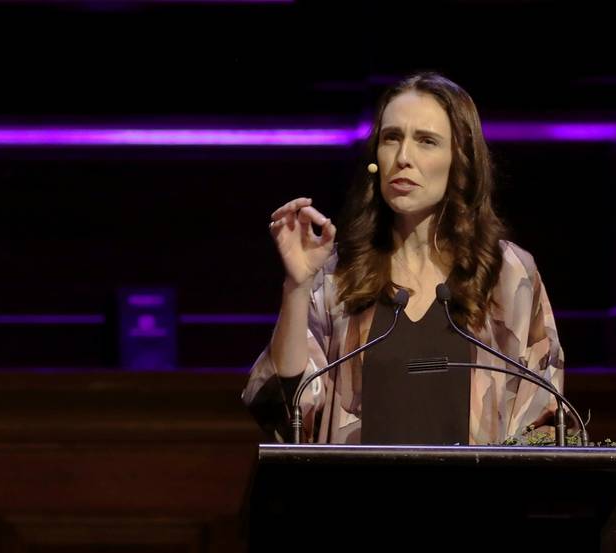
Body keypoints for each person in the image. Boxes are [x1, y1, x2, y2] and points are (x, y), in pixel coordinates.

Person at [241, 72, 565, 446]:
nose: (403, 158)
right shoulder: (339, 274)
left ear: (461, 159)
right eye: (391, 138)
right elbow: (284, 411)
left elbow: (543, 427)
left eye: (426, 141)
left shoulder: (507, 276)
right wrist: (297, 287)